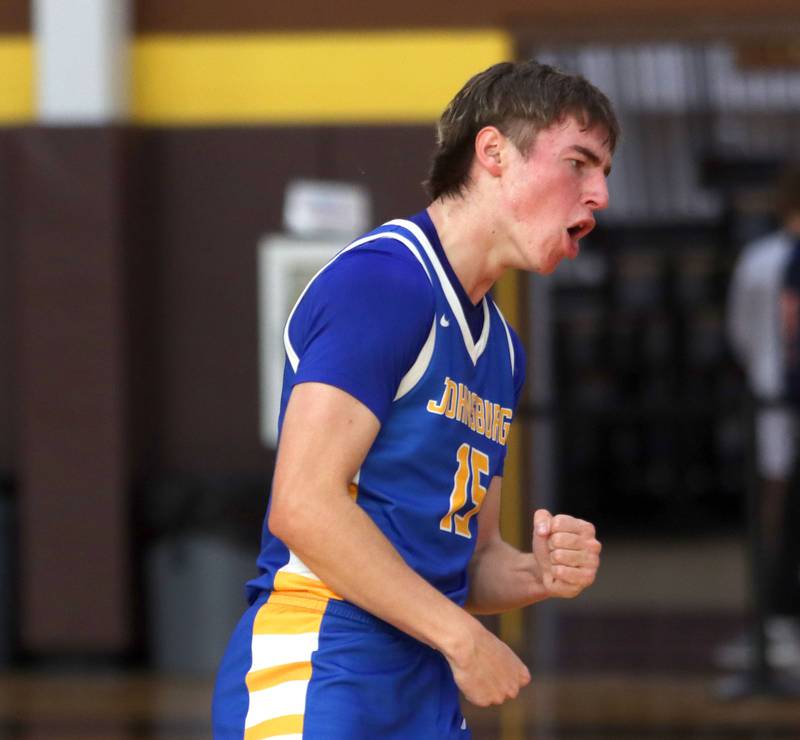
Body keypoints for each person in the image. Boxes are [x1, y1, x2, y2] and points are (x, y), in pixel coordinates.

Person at [212, 59, 618, 739]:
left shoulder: (505, 352)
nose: (600, 193)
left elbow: (472, 558)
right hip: (321, 661)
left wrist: (536, 572)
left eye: (604, 172)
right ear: (493, 153)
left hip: (421, 682)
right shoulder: (385, 283)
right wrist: (462, 638)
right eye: (580, 163)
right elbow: (304, 503)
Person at [721, 165, 800, 670]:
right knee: (776, 510)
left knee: (778, 509)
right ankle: (775, 626)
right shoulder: (766, 261)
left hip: (774, 397)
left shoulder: (759, 260)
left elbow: (741, 337)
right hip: (776, 403)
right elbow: (745, 336)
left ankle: (777, 625)